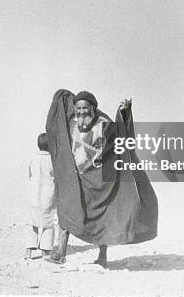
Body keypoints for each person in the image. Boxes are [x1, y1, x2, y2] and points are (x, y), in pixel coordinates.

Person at [44, 90, 158, 268]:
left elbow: (121, 135)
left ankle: (102, 256)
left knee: (103, 218)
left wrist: (123, 112)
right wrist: (61, 96)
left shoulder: (103, 125)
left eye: (85, 108)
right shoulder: (72, 124)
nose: (81, 112)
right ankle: (60, 253)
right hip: (78, 179)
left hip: (99, 181)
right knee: (66, 208)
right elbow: (58, 118)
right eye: (78, 108)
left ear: (93, 109)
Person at [24, 133, 57, 259]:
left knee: (32, 222)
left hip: (33, 195)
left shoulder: (33, 158)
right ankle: (46, 250)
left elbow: (29, 175)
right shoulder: (53, 160)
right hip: (48, 196)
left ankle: (29, 250)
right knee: (48, 223)